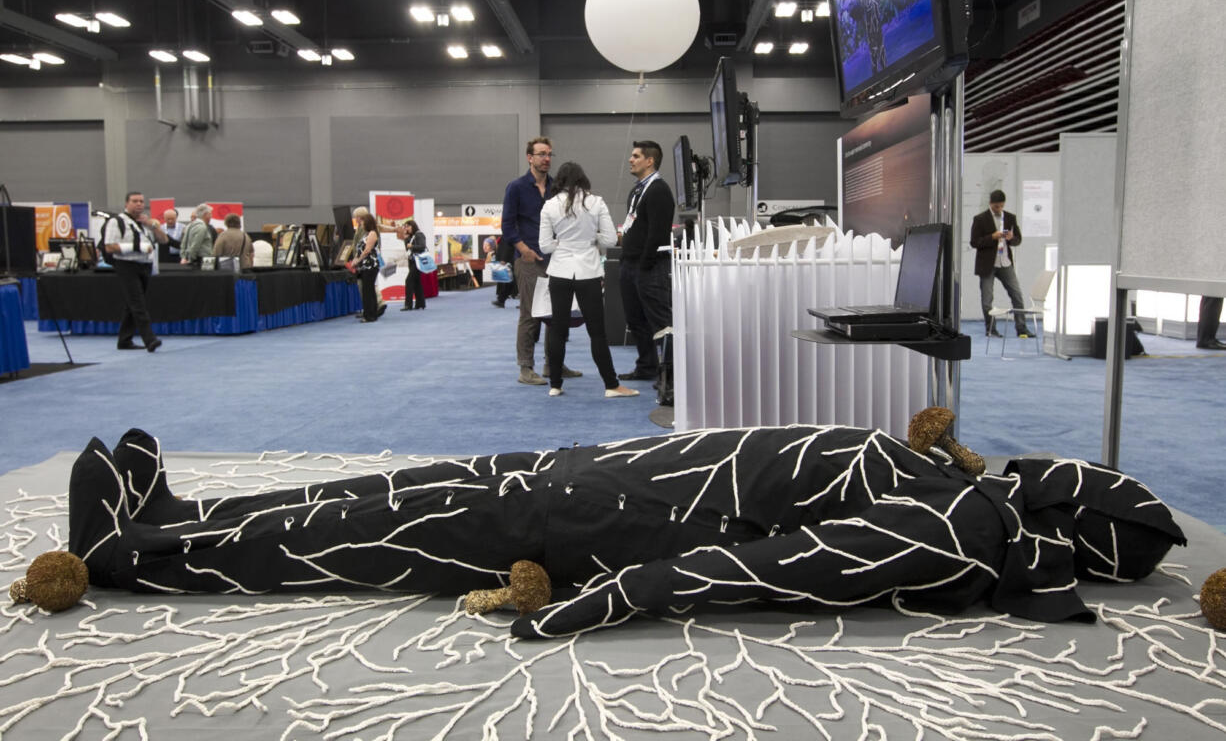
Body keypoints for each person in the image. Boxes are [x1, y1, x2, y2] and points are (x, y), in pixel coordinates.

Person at [66, 420, 1185, 639]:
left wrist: (597, 602)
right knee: (393, 487)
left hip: (602, 520)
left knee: (372, 535)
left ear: (1064, 516)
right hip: (612, 472)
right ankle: (181, 517)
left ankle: (135, 562)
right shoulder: (962, 489)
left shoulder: (951, 532)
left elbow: (764, 565)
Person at [538, 162, 639, 398]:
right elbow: (611, 240)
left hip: (560, 272)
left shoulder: (549, 206)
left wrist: (562, 244)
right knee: (597, 332)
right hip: (588, 272)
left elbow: (544, 245)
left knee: (557, 330)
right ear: (583, 179)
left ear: (559, 180)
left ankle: (555, 384)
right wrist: (591, 239)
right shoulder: (596, 202)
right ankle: (611, 385)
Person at [501, 136, 581, 385]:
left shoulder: (558, 188)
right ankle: (526, 367)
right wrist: (523, 248)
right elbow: (507, 225)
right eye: (541, 154)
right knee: (530, 314)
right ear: (530, 157)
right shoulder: (516, 187)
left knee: (557, 313)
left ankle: (553, 363)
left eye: (549, 154)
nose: (546, 159)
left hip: (557, 258)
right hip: (528, 259)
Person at [618, 140, 675, 405]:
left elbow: (658, 233)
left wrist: (644, 264)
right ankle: (646, 366)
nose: (631, 160)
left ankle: (669, 375)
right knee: (636, 320)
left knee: (660, 322)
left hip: (649, 266)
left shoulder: (659, 190)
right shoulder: (637, 191)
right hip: (630, 265)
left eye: (636, 156)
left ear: (649, 161)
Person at [102, 191, 167, 352]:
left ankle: (124, 340)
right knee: (138, 304)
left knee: (132, 304)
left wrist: (152, 225)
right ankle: (149, 339)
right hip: (126, 265)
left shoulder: (146, 222)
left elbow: (164, 240)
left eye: (141, 201)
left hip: (144, 265)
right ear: (126, 204)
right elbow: (109, 247)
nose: (139, 204)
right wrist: (136, 247)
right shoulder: (116, 221)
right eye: (135, 201)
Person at [970, 190, 1028, 338]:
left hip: (1005, 262)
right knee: (987, 299)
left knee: (1017, 294)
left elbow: (1018, 240)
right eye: (996, 206)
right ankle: (991, 329)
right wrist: (992, 237)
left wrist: (1011, 238)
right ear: (990, 204)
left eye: (1001, 206)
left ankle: (1021, 328)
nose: (999, 209)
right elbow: (974, 242)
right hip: (988, 264)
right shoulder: (980, 219)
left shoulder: (1010, 218)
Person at [348, 212, 385, 323]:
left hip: (370, 266)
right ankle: (372, 314)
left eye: (363, 222)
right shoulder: (367, 234)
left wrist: (357, 260)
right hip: (365, 266)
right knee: (369, 291)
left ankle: (369, 315)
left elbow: (367, 250)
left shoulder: (373, 233)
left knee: (368, 291)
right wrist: (356, 259)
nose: (361, 224)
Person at [399, 218, 427, 311]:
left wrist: (412, 246)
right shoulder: (410, 237)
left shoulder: (419, 235)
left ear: (413, 226)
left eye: (408, 226)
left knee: (409, 281)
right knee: (417, 282)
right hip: (412, 261)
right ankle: (420, 303)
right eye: (405, 227)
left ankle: (408, 304)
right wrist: (406, 239)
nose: (406, 228)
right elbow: (407, 249)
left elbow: (422, 247)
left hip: (417, 262)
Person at [490, 234, 518, 308]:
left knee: (512, 281)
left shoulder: (512, 231)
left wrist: (504, 259)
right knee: (511, 281)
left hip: (512, 259)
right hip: (512, 259)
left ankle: (501, 300)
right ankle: (501, 300)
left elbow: (507, 246)